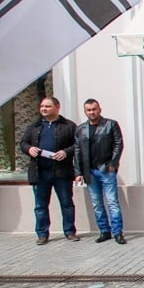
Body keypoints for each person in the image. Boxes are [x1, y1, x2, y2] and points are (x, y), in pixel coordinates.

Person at [19, 96, 79, 245]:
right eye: (42, 107)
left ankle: (70, 232)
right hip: (40, 173)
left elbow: (78, 145)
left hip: (61, 172)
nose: (43, 109)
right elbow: (23, 143)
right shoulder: (34, 126)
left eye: (47, 106)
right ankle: (42, 234)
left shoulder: (69, 126)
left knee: (66, 203)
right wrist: (29, 149)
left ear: (57, 107)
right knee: (40, 205)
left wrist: (66, 152)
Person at [74, 99, 126, 245]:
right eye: (89, 110)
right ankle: (104, 231)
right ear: (85, 112)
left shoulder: (110, 124)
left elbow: (118, 144)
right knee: (97, 203)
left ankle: (118, 232)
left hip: (106, 169)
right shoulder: (80, 129)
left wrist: (113, 163)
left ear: (100, 109)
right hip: (89, 172)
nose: (92, 112)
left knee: (112, 202)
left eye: (94, 109)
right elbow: (77, 151)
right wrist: (78, 172)